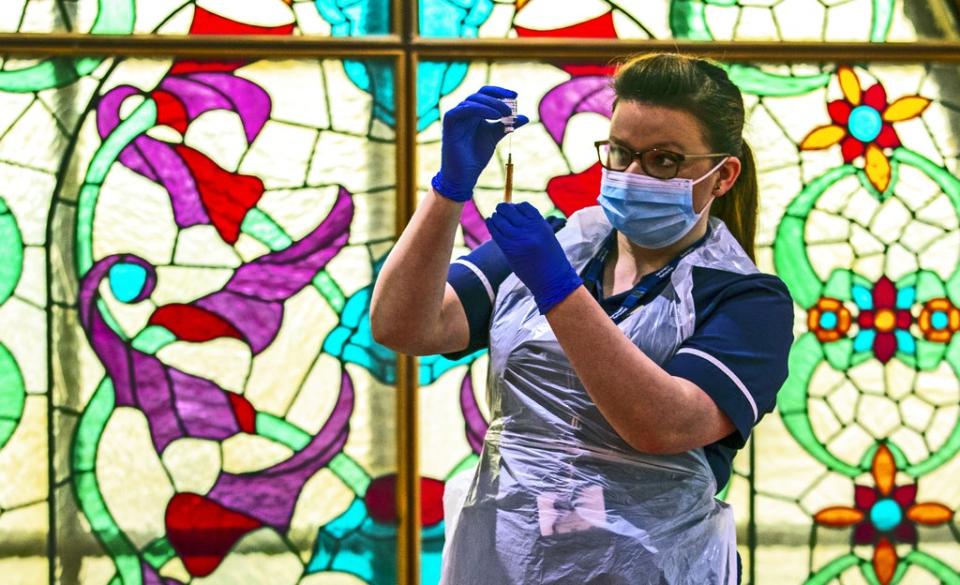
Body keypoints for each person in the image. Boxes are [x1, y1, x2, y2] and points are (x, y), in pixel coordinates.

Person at [370, 53, 794, 584]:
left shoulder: (747, 300)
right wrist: (449, 190)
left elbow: (661, 424)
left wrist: (557, 289)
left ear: (722, 175)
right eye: (620, 152)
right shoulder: (557, 246)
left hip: (653, 568)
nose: (633, 173)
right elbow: (404, 325)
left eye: (663, 160)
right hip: (509, 557)